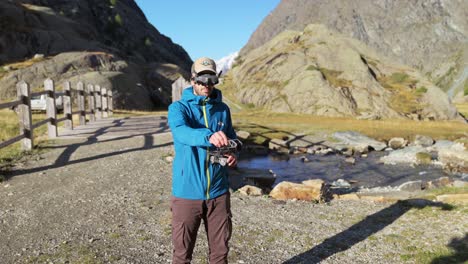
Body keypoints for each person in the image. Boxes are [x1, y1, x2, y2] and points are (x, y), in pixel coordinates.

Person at [168, 57, 238, 264]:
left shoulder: (223, 109)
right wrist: (208, 136)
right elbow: (182, 132)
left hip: (218, 192)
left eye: (211, 80)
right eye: (202, 80)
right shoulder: (178, 109)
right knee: (182, 255)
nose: (207, 85)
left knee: (220, 254)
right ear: (192, 80)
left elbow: (231, 137)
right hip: (186, 194)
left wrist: (233, 154)